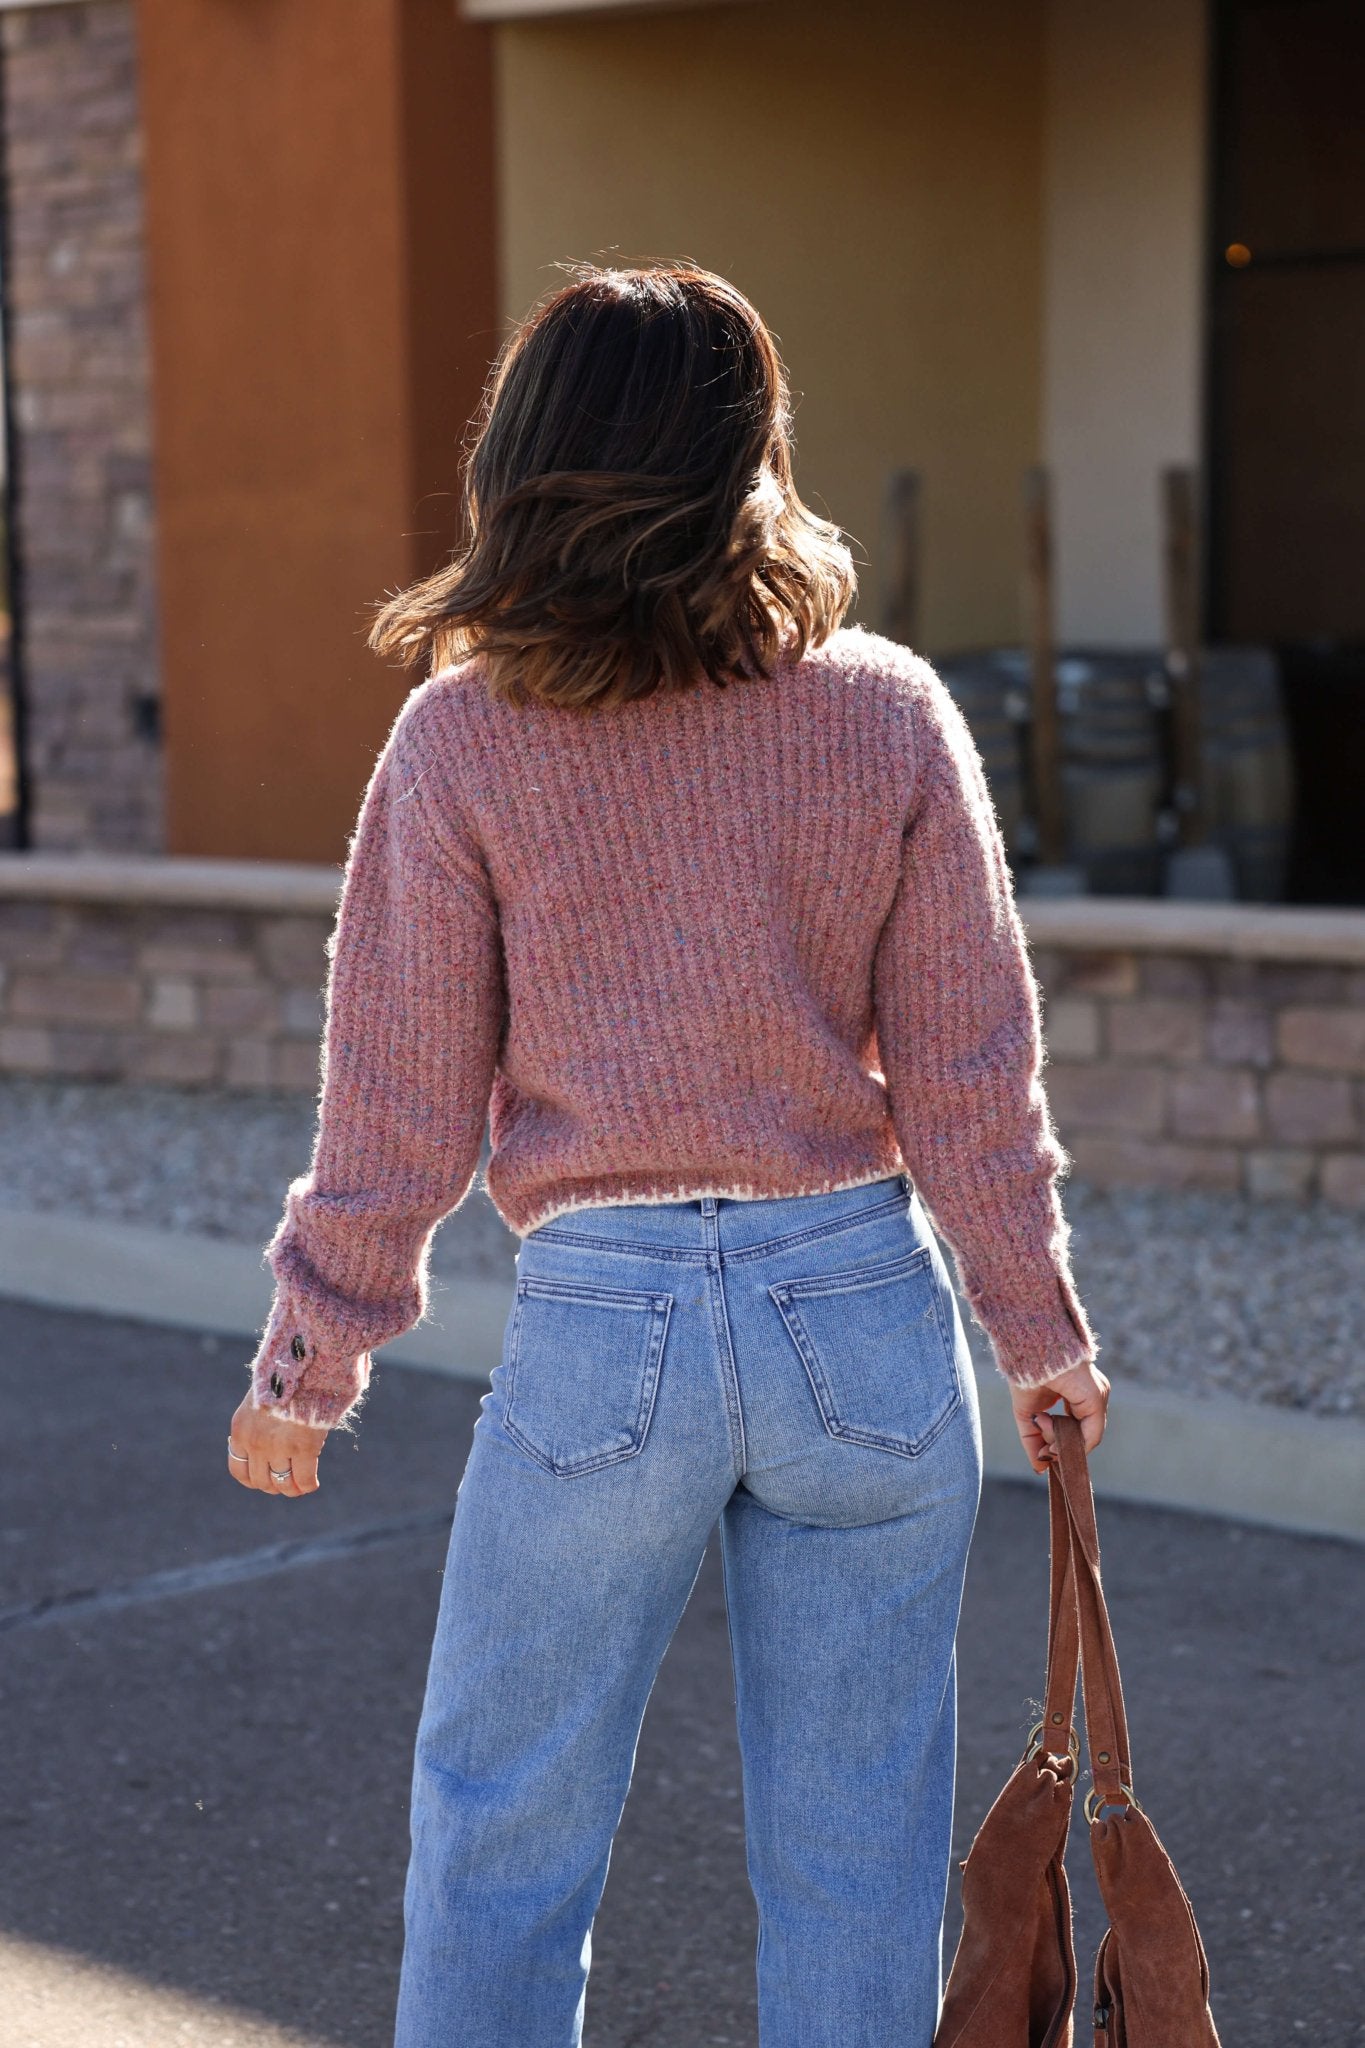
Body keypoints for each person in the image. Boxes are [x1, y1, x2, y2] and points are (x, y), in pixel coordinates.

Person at [225, 260, 1109, 2048]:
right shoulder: (884, 713)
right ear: (753, 456)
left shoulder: (462, 739)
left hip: (600, 1331)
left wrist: (308, 1370)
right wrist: (1041, 1336)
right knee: (858, 1865)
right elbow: (970, 1080)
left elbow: (395, 1106)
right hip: (861, 1320)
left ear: (521, 464)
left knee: (502, 1835)